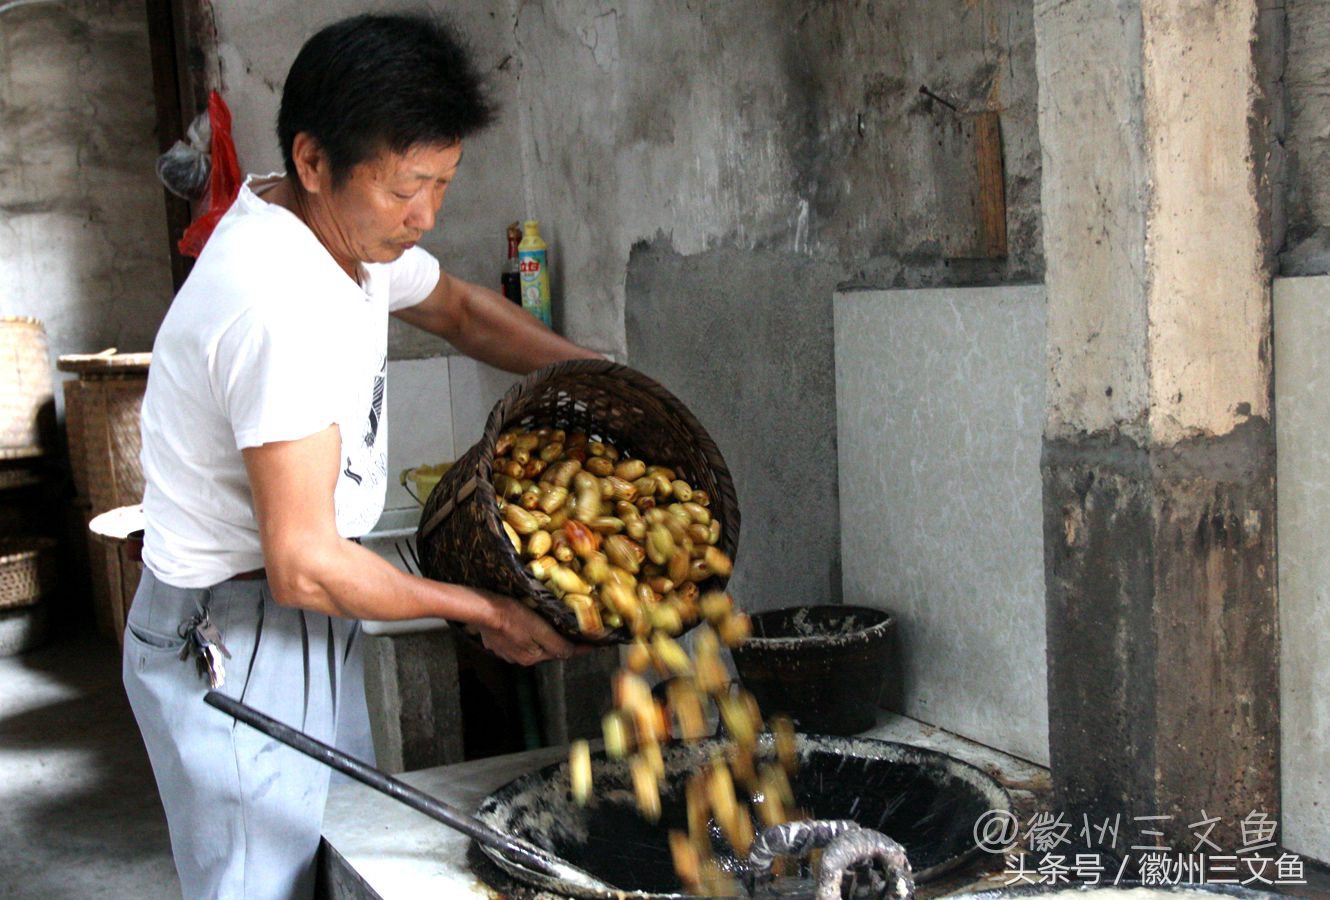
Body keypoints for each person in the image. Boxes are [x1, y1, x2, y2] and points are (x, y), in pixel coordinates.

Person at [122, 13, 601, 900]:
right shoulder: (276, 304)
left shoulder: (339, 229)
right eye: (406, 189)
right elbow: (304, 565)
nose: (425, 216)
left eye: (443, 184)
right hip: (233, 634)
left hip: (296, 617)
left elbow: (457, 309)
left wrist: (593, 370)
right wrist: (484, 611)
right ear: (314, 162)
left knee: (333, 858)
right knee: (260, 885)